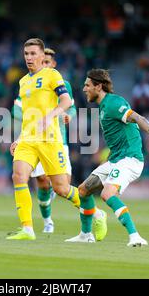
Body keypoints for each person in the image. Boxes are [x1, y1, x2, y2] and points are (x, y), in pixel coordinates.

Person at [66, 69, 149, 246]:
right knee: (83, 190)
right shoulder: (103, 106)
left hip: (130, 159)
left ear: (98, 86)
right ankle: (86, 235)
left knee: (107, 193)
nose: (84, 88)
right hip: (116, 159)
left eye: (87, 85)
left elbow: (138, 117)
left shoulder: (113, 103)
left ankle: (135, 236)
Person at [12, 48, 107, 238]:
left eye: (47, 62)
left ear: (52, 64)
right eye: (41, 60)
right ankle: (39, 224)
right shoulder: (26, 82)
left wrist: (66, 116)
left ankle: (95, 212)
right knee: (36, 180)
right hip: (31, 139)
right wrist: (20, 137)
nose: (43, 64)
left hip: (56, 140)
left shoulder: (60, 82)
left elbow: (70, 108)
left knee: (61, 187)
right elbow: (22, 113)